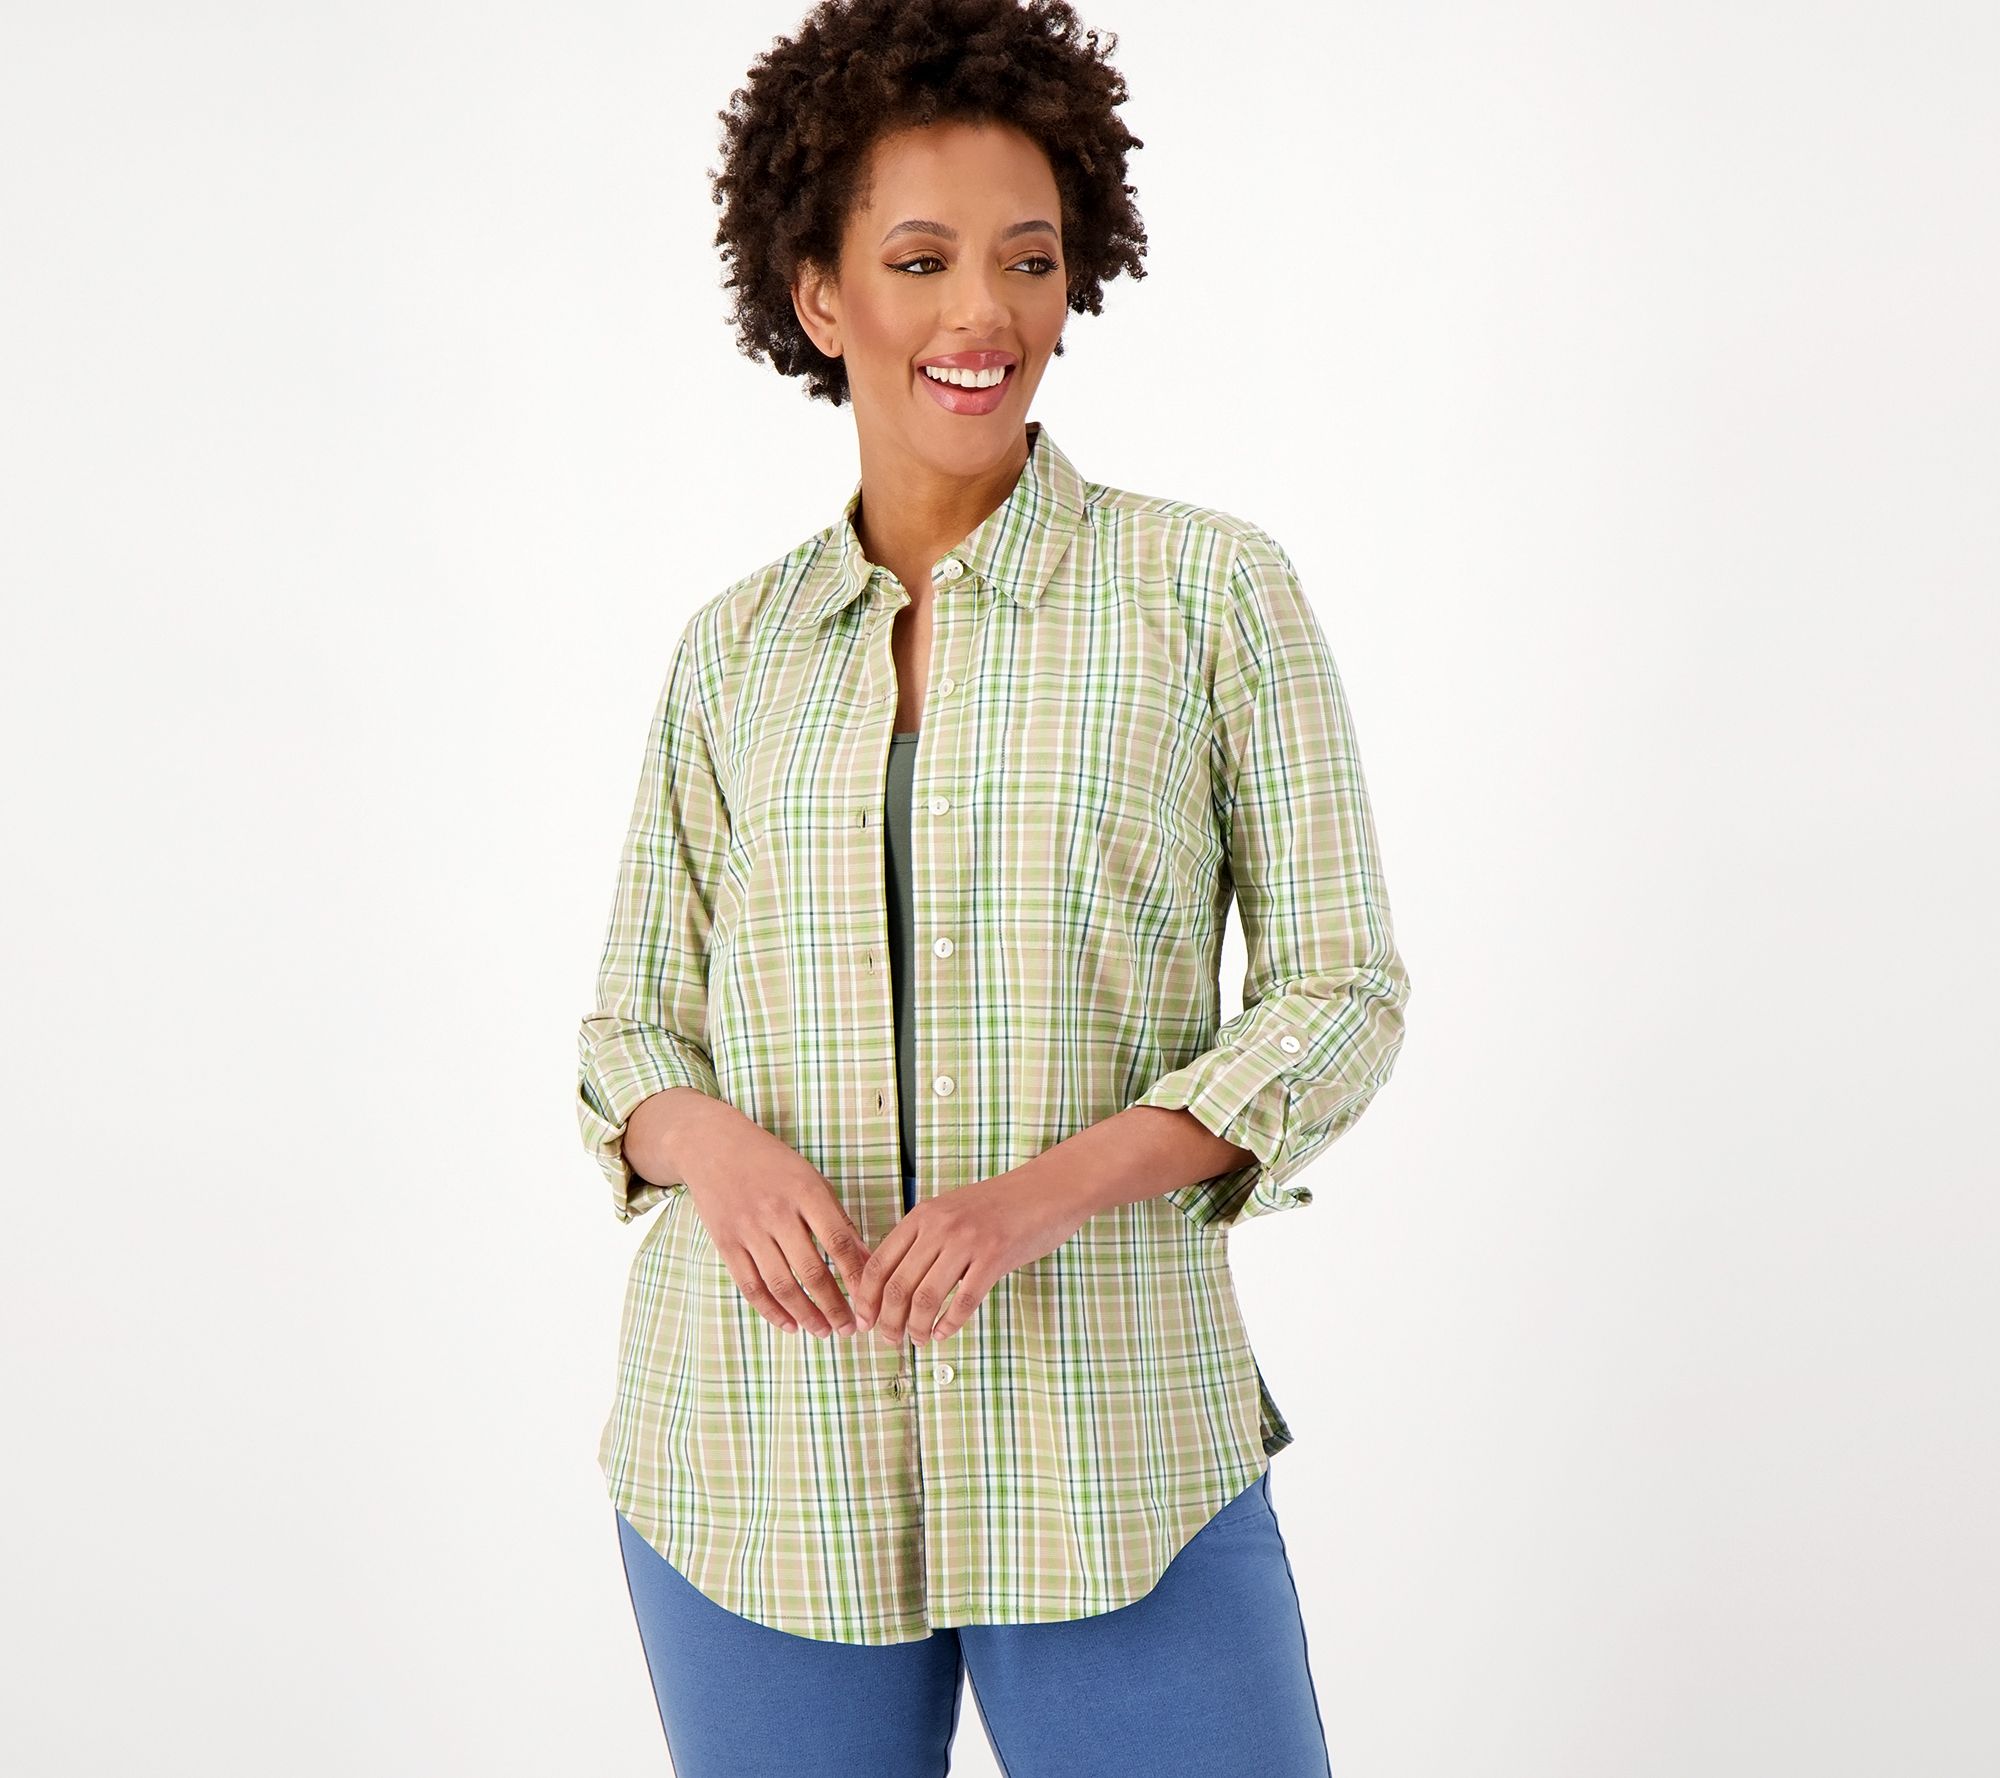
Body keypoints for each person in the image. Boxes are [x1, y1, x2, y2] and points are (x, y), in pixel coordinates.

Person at [575, 2, 1411, 1771]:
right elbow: (631, 1026)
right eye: (922, 260)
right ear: (820, 297)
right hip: (756, 1462)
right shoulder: (731, 654)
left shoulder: (1208, 594)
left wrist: (1040, 1197)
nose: (985, 315)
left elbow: (1340, 989)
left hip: (1110, 1446)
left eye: (1028, 260)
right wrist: (708, 1144)